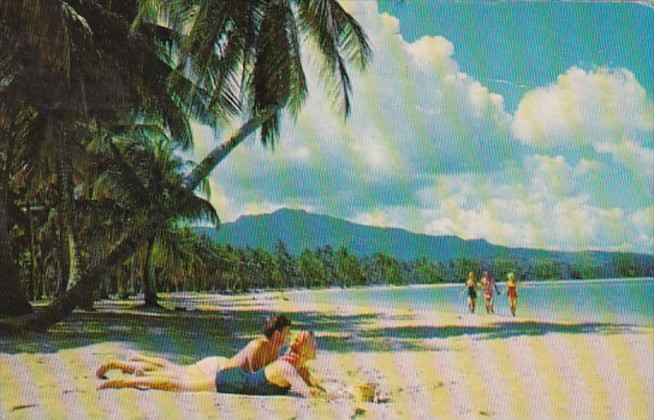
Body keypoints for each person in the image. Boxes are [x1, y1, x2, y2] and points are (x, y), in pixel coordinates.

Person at [97, 330, 324, 398]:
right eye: (313, 343)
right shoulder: (286, 367)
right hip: (231, 380)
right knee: (178, 383)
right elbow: (308, 394)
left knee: (177, 377)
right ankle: (126, 382)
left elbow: (313, 385)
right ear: (303, 348)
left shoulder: (294, 366)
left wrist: (335, 391)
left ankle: (133, 376)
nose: (317, 346)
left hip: (235, 378)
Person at [96, 314, 291, 379]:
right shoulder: (258, 346)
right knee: (173, 372)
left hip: (218, 368)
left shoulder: (274, 351)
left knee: (172, 368)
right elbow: (254, 378)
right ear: (277, 334)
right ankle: (115, 364)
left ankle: (137, 360)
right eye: (287, 332)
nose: (289, 336)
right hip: (214, 369)